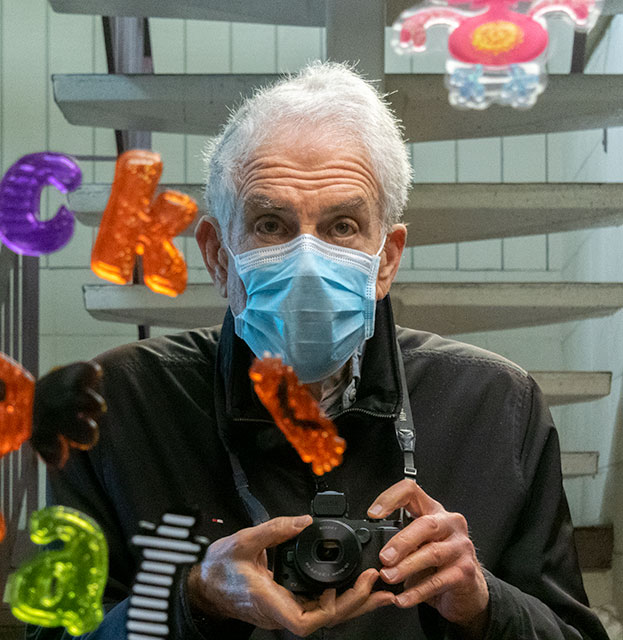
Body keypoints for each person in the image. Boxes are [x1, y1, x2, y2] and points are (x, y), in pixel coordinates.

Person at [32, 61, 608, 640]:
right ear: (217, 257)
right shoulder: (116, 407)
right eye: (270, 224)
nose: (307, 262)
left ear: (386, 259)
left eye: (342, 226)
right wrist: (192, 599)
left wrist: (484, 606)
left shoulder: (496, 406)